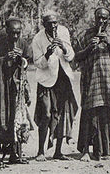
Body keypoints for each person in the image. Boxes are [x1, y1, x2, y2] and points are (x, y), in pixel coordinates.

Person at [75, 7, 110, 161]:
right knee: (90, 116)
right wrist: (89, 47)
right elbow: (77, 57)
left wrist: (108, 42)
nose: (101, 21)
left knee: (109, 116)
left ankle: (107, 151)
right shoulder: (86, 34)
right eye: (99, 18)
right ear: (94, 18)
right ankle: (88, 151)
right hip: (91, 80)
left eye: (104, 18)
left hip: (108, 82)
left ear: (108, 19)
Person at [0, 17, 32, 168]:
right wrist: (3, 59)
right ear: (6, 31)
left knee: (16, 119)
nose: (15, 36)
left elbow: (27, 61)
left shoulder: (23, 43)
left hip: (15, 87)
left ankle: (15, 154)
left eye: (18, 33)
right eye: (12, 33)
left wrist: (20, 59)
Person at [32, 10, 78, 162]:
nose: (53, 26)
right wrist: (47, 54)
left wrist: (63, 48)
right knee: (45, 114)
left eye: (55, 22)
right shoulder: (38, 38)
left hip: (62, 78)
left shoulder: (63, 32)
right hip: (46, 80)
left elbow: (71, 56)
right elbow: (37, 63)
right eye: (50, 23)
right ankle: (40, 151)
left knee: (61, 114)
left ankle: (58, 151)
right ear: (43, 24)